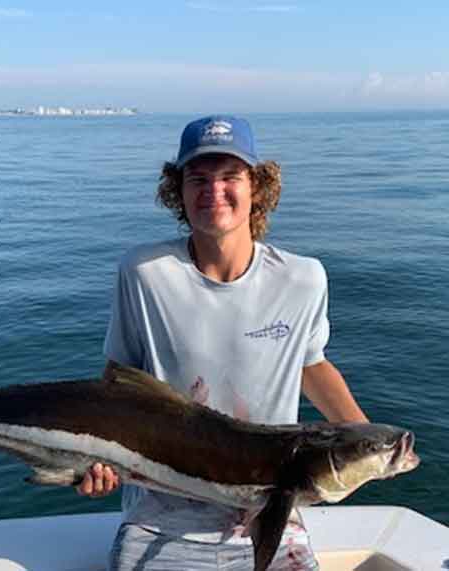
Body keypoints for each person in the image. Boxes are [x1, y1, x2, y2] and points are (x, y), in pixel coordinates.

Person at [79, 115, 368, 570]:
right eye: (198, 178)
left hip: (270, 510)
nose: (214, 190)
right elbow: (117, 386)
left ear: (258, 186)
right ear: (178, 190)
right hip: (160, 515)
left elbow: (311, 364)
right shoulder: (143, 273)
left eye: (230, 176)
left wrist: (365, 442)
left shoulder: (303, 278)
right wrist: (92, 458)